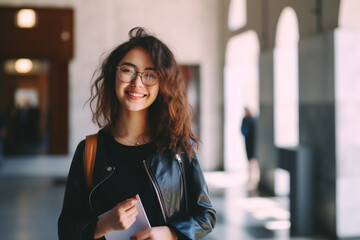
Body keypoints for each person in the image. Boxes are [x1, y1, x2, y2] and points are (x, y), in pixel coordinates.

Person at [58, 27, 216, 240]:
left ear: (163, 84)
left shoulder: (178, 147)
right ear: (114, 73)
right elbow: (67, 230)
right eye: (128, 70)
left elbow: (206, 216)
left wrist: (170, 233)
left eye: (150, 74)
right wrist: (104, 225)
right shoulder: (89, 151)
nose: (137, 82)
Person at [241, 107, 259, 188]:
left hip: (252, 142)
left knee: (252, 160)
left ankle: (253, 178)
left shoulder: (251, 120)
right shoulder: (245, 119)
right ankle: (250, 177)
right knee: (249, 160)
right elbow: (242, 130)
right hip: (247, 142)